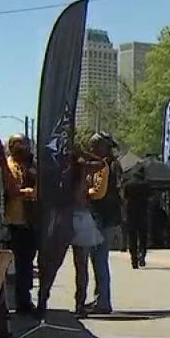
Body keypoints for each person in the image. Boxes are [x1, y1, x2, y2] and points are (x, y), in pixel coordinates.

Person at [83, 132, 122, 314]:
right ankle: (101, 298)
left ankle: (103, 301)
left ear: (102, 148)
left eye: (93, 147)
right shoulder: (111, 164)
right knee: (99, 259)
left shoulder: (105, 166)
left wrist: (83, 193)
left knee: (99, 260)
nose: (91, 150)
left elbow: (99, 192)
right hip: (108, 216)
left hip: (104, 217)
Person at [3, 134, 39, 315]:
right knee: (8, 265)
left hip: (29, 221)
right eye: (17, 144)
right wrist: (25, 192)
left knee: (26, 264)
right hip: (11, 221)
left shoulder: (31, 166)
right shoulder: (7, 165)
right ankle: (7, 301)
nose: (21, 147)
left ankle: (24, 300)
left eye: (24, 143)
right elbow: (9, 189)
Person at [70, 151, 108, 317]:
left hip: (69, 216)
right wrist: (86, 154)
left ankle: (78, 303)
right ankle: (79, 303)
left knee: (79, 265)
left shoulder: (62, 169)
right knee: (81, 265)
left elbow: (101, 165)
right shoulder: (82, 168)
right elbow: (102, 164)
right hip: (78, 217)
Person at [122, 163, 152, 268]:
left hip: (130, 213)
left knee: (132, 237)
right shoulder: (145, 184)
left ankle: (133, 259)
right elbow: (150, 197)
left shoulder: (128, 184)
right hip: (142, 213)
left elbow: (124, 197)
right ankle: (142, 255)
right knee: (143, 237)